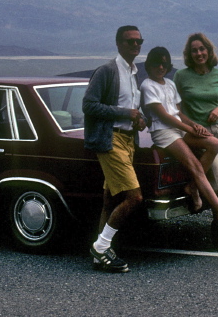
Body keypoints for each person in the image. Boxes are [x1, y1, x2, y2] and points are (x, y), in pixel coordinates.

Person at [140, 46, 218, 235]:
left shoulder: (169, 84)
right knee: (194, 164)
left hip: (178, 128)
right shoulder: (147, 86)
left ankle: (193, 186)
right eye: (156, 64)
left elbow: (178, 113)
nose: (160, 67)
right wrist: (188, 129)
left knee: (213, 143)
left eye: (164, 63)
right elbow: (164, 117)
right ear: (149, 65)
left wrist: (194, 126)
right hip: (164, 133)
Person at [174, 32, 218, 254]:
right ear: (189, 54)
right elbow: (176, 109)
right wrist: (190, 126)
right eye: (194, 50)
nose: (199, 53)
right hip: (201, 135)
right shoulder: (181, 77)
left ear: (209, 51)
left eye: (202, 49)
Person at [83, 25, 147, 273]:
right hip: (111, 141)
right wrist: (124, 113)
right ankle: (101, 246)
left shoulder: (133, 72)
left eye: (139, 41)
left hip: (128, 139)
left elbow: (129, 108)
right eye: (130, 42)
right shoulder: (108, 71)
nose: (136, 45)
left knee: (110, 200)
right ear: (119, 44)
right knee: (134, 197)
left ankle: (100, 254)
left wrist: (137, 119)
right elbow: (89, 105)